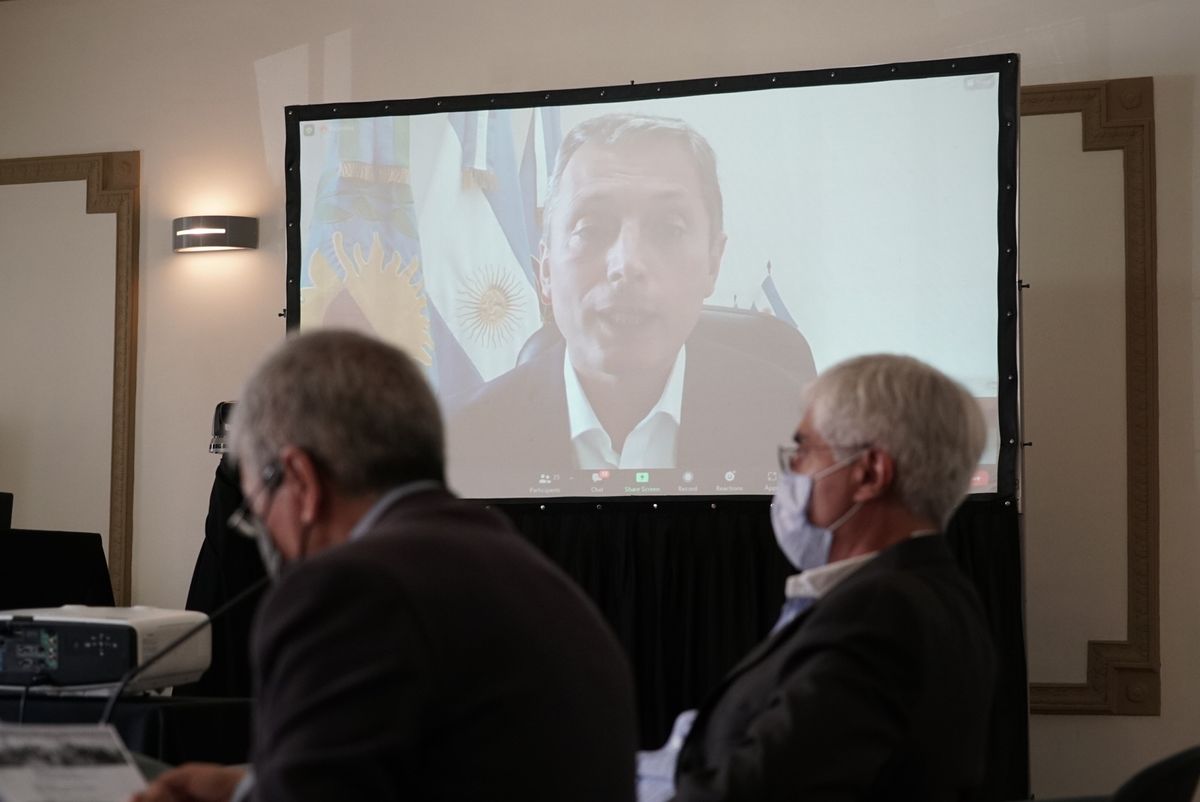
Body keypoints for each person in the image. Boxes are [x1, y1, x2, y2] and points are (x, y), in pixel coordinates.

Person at [133, 329, 637, 802]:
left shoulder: (349, 592)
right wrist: (246, 789)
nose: (266, 533)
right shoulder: (531, 575)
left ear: (300, 479)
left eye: (257, 509)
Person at [668, 353, 997, 802]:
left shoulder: (881, 615)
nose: (791, 471)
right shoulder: (931, 592)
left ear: (869, 473)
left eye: (804, 450)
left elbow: (757, 790)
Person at [448, 113, 813, 494]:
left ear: (712, 262)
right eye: (590, 228)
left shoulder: (804, 433)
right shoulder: (452, 446)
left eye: (669, 228)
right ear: (546, 272)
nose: (627, 264)